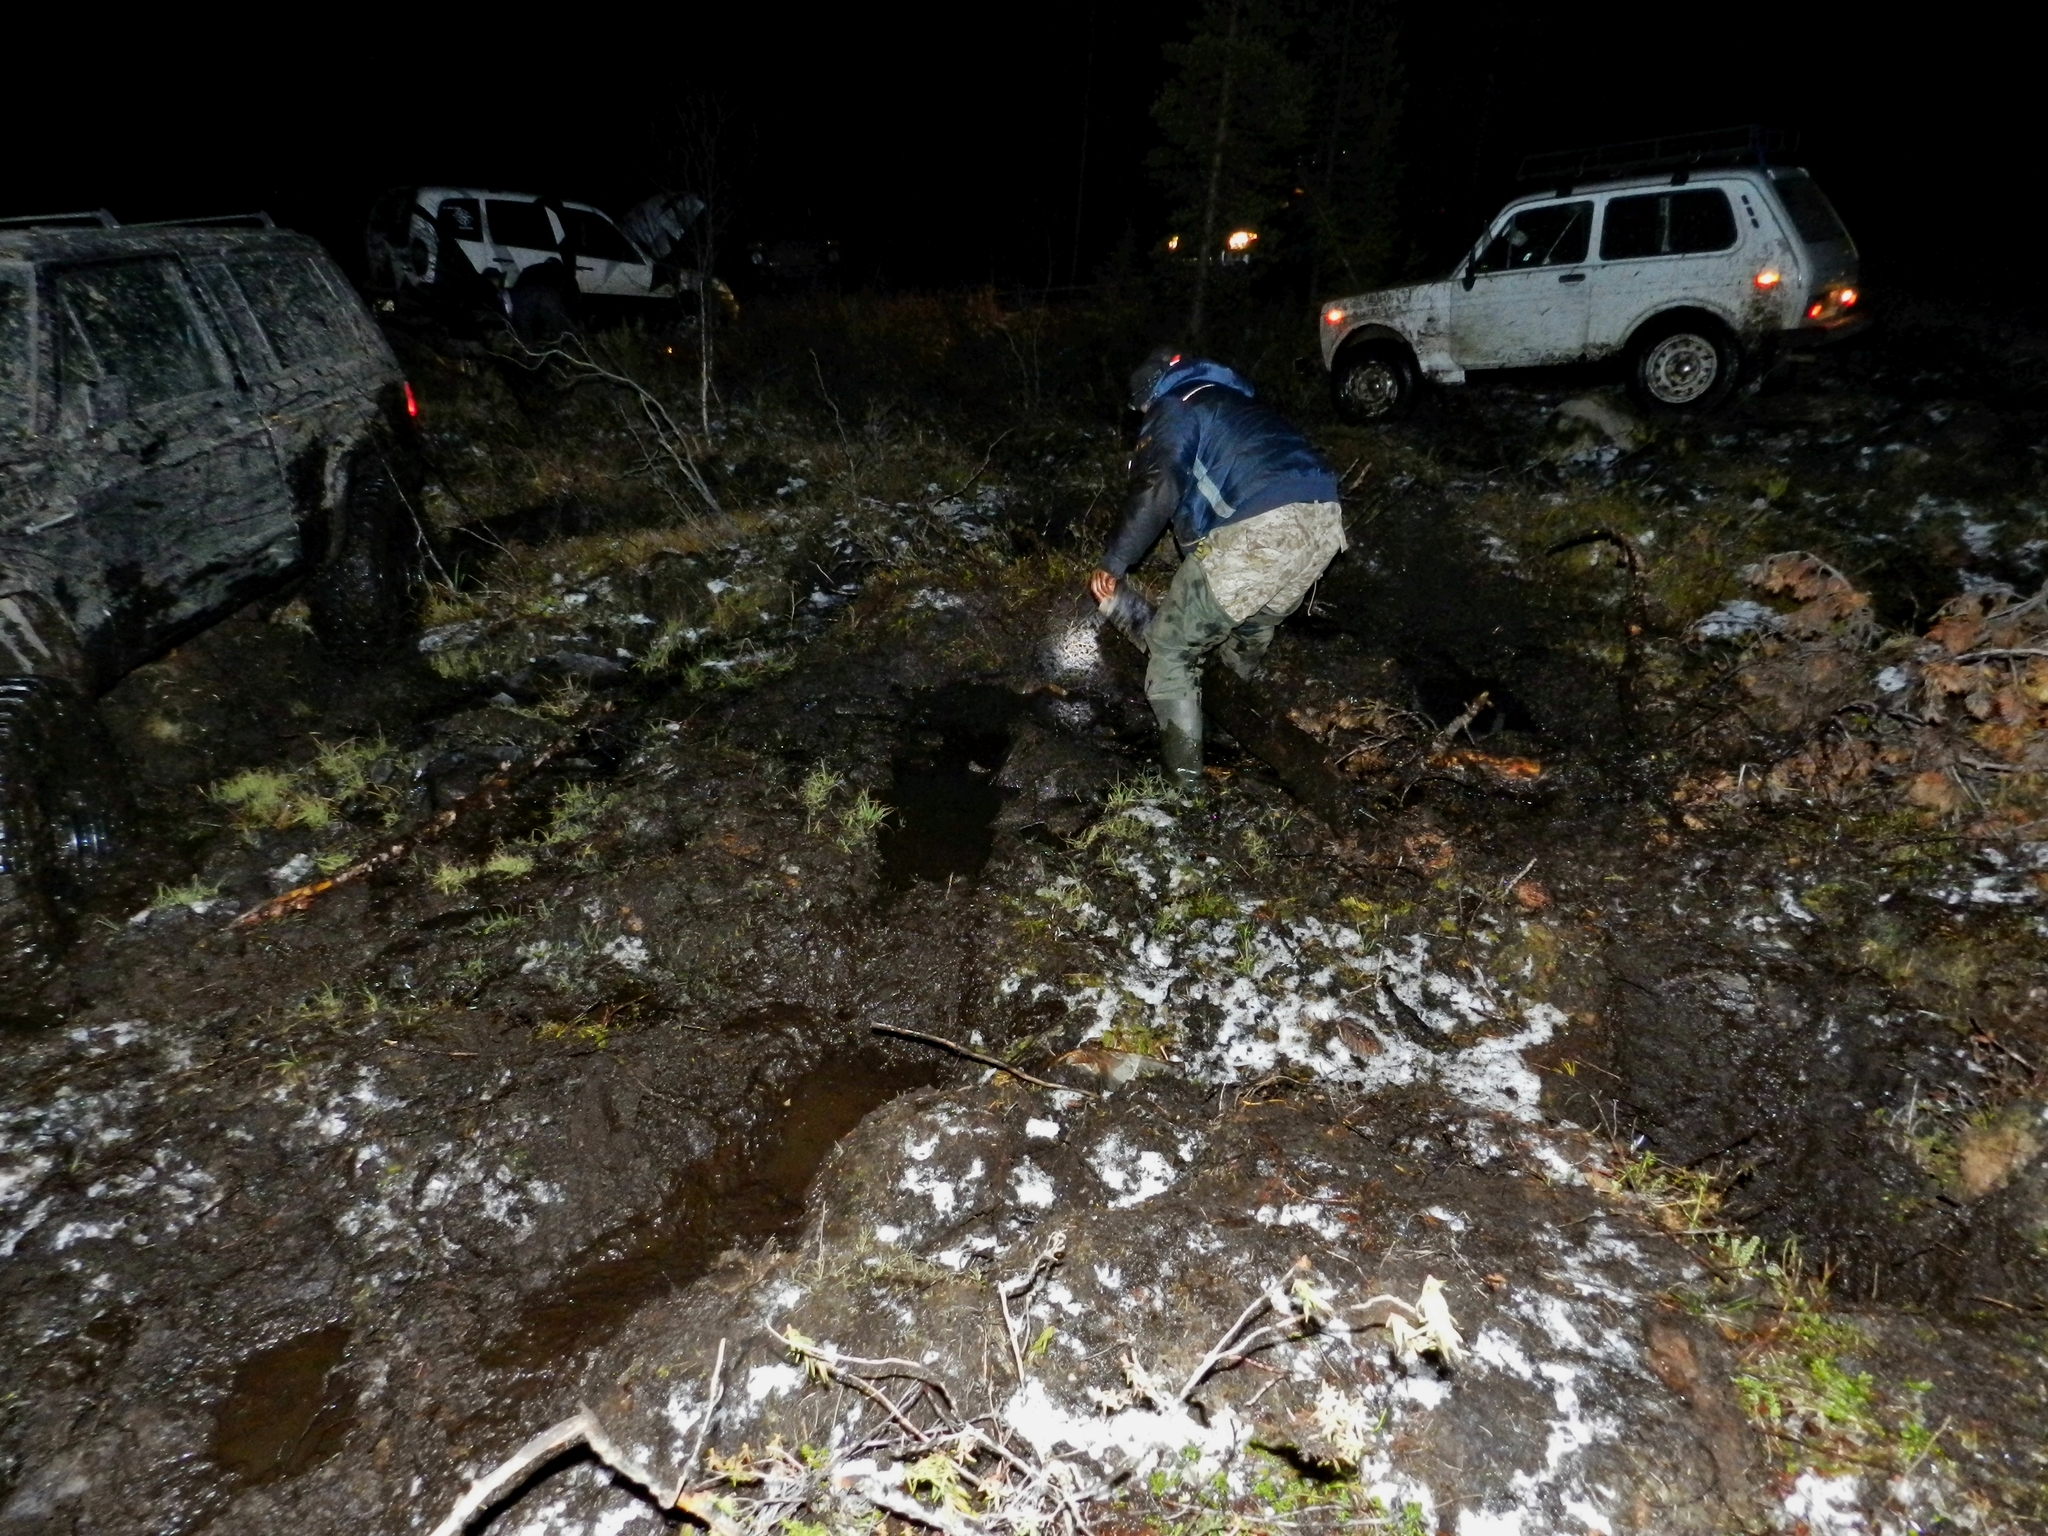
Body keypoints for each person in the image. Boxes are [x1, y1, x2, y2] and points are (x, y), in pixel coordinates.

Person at [1089, 347, 1346, 791]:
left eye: (1141, 410)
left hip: (1261, 526)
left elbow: (1160, 485)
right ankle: (1228, 735)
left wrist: (1114, 561)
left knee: (1171, 649)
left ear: (1148, 396)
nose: (1144, 416)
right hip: (1323, 521)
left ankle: (1185, 792)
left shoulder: (1175, 405)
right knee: (1248, 627)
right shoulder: (1230, 402)